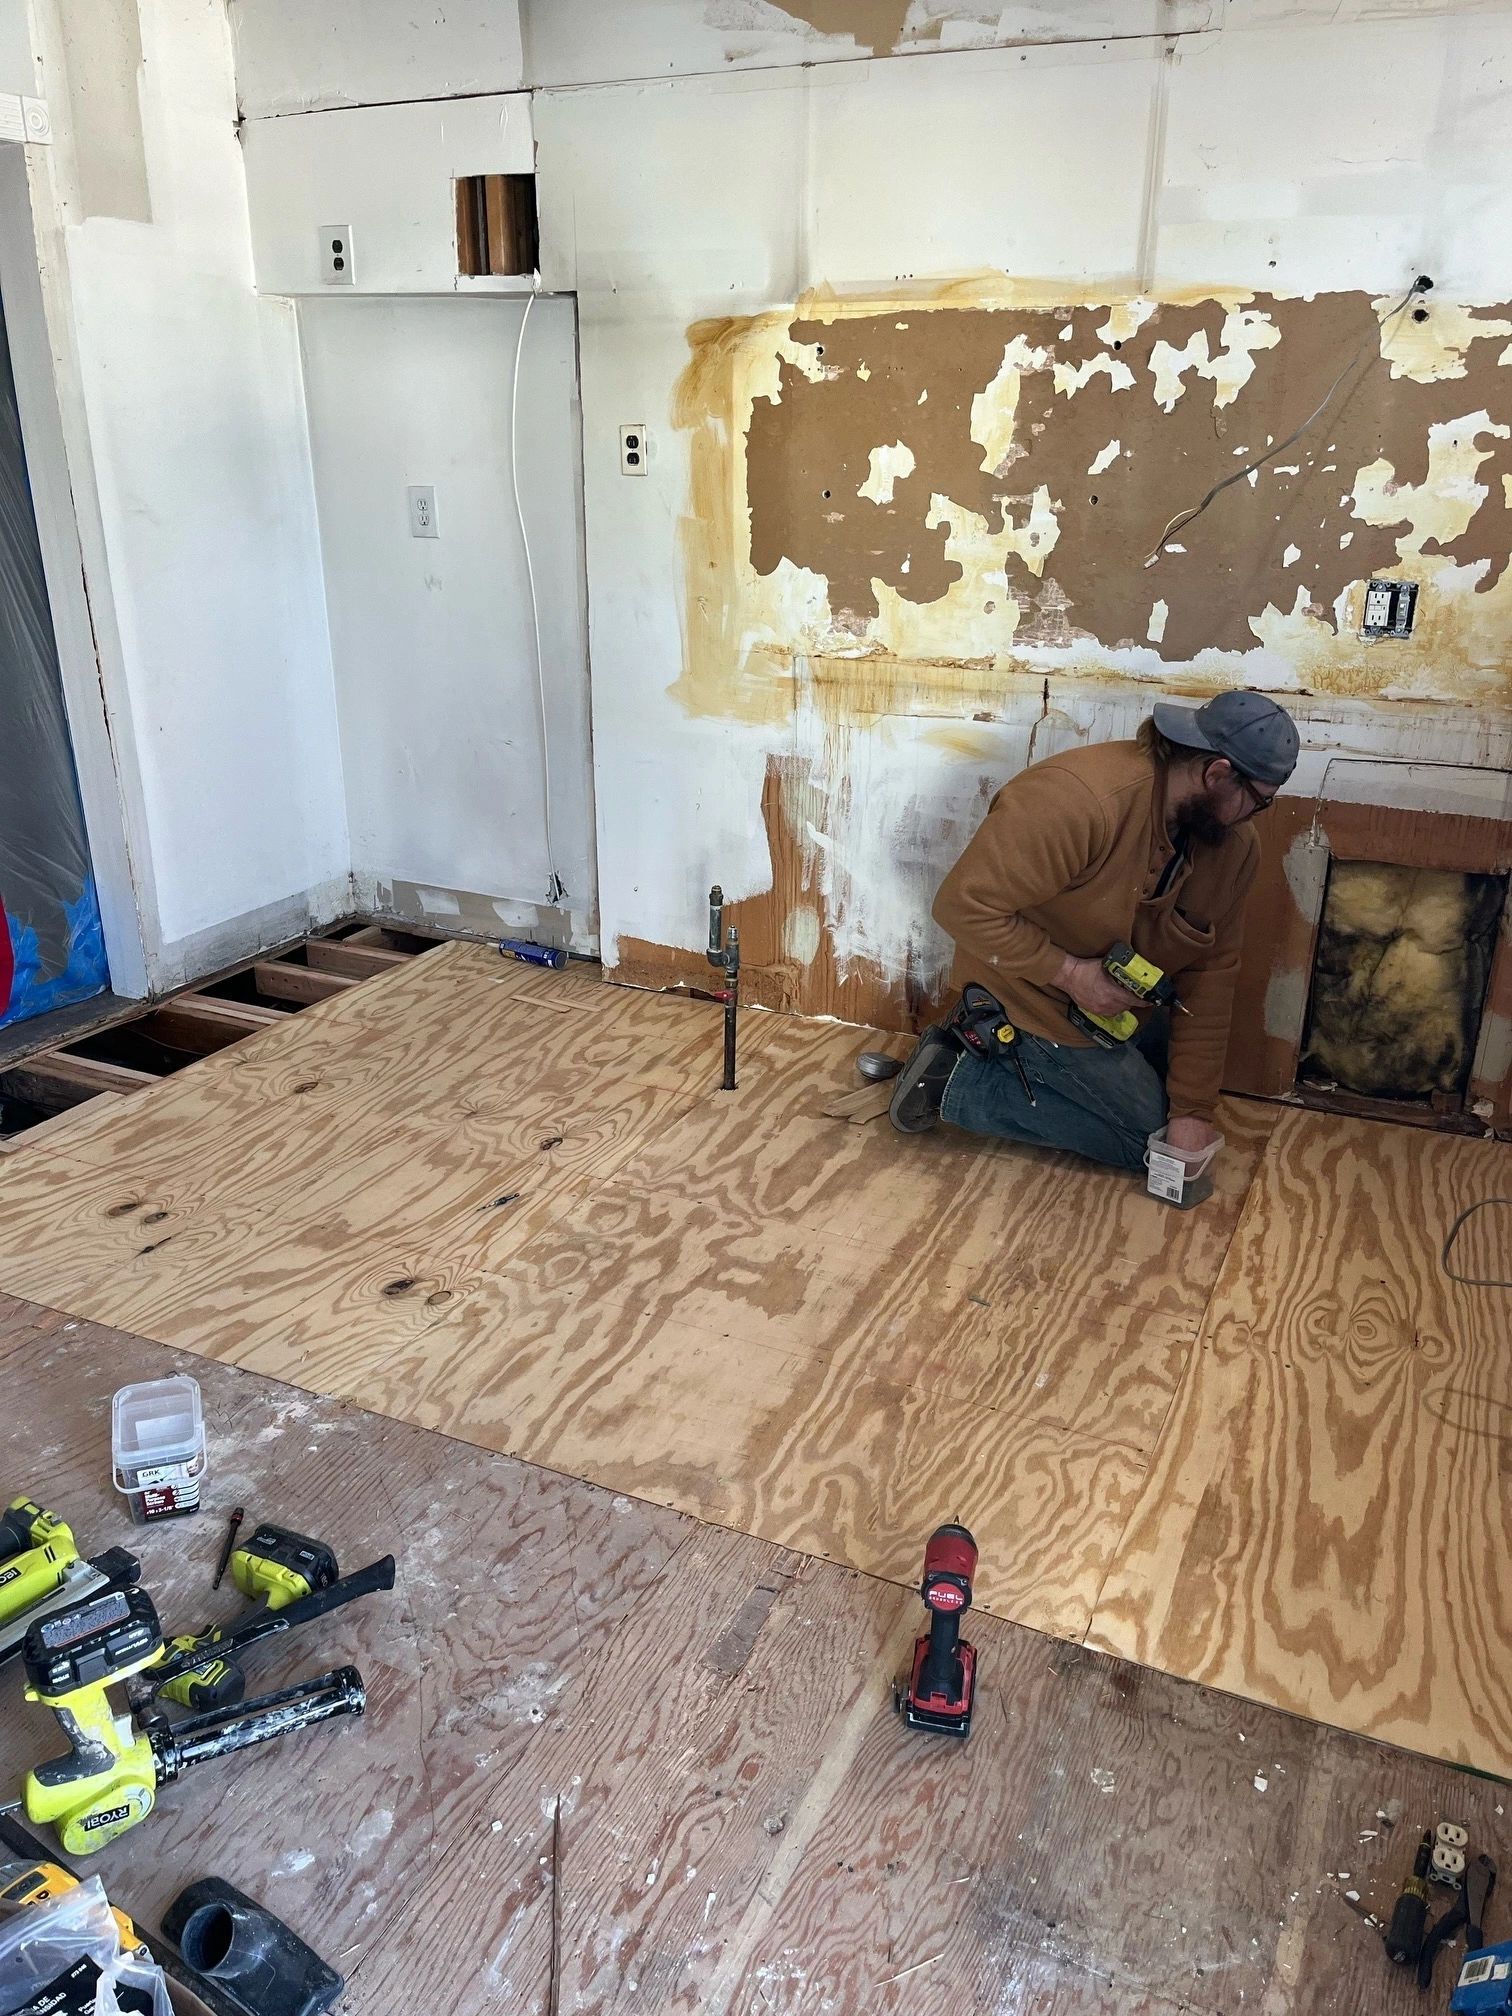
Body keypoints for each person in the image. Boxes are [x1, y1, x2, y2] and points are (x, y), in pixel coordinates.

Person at [890, 690, 1300, 1173]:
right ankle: (959, 1083)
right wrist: (1070, 974)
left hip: (1117, 1005)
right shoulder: (1076, 801)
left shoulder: (1232, 847)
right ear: (1217, 774)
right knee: (1146, 1142)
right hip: (1030, 990)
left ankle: (1039, 1068)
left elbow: (1212, 975)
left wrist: (1193, 1111)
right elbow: (961, 906)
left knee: (1176, 1135)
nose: (1255, 818)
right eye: (1259, 802)